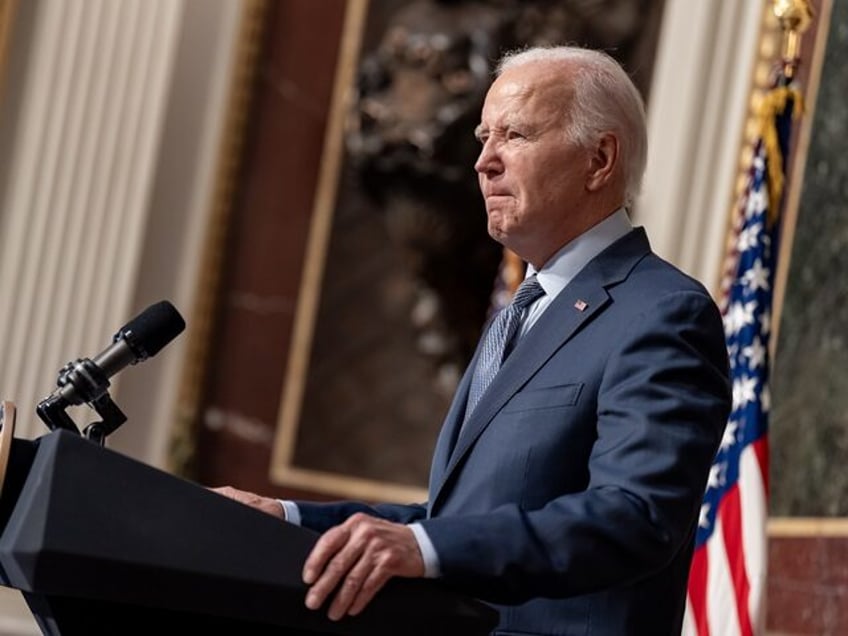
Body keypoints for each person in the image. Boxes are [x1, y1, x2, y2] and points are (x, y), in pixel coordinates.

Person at [216, 45, 731, 635]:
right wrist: (284, 518)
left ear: (599, 158)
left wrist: (427, 548)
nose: (484, 162)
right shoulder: (521, 311)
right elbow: (456, 522)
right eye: (483, 138)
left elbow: (634, 517)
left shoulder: (661, 313)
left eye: (514, 135)